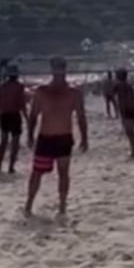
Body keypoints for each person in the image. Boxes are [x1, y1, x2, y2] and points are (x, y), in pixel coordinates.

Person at [24, 57, 88, 217]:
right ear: (52, 69)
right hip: (46, 137)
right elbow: (33, 115)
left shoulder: (74, 93)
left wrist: (85, 137)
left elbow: (81, 117)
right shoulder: (42, 91)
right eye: (56, 67)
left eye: (61, 66)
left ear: (65, 68)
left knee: (63, 173)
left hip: (64, 137)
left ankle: (62, 206)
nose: (59, 70)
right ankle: (29, 204)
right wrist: (30, 135)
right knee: (37, 173)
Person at [0, 64, 28, 173]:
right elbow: (21, 103)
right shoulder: (19, 87)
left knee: (4, 142)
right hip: (14, 115)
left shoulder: (3, 87)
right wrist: (27, 118)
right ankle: (10, 166)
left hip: (5, 115)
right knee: (14, 143)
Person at [113, 68, 134, 158]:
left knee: (130, 132)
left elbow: (113, 93)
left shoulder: (121, 86)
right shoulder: (128, 86)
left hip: (127, 111)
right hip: (131, 110)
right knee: (130, 132)